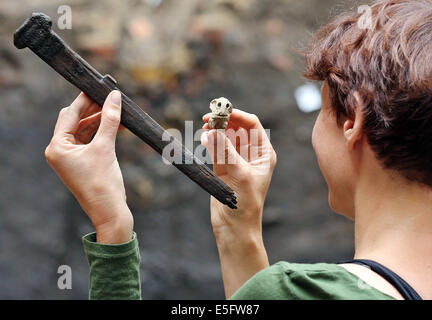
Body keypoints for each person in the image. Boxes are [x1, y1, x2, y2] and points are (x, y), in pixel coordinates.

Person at [44, 0, 432, 300]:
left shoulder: (304, 290)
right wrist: (238, 230)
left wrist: (112, 230)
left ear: (353, 122)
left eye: (323, 108)